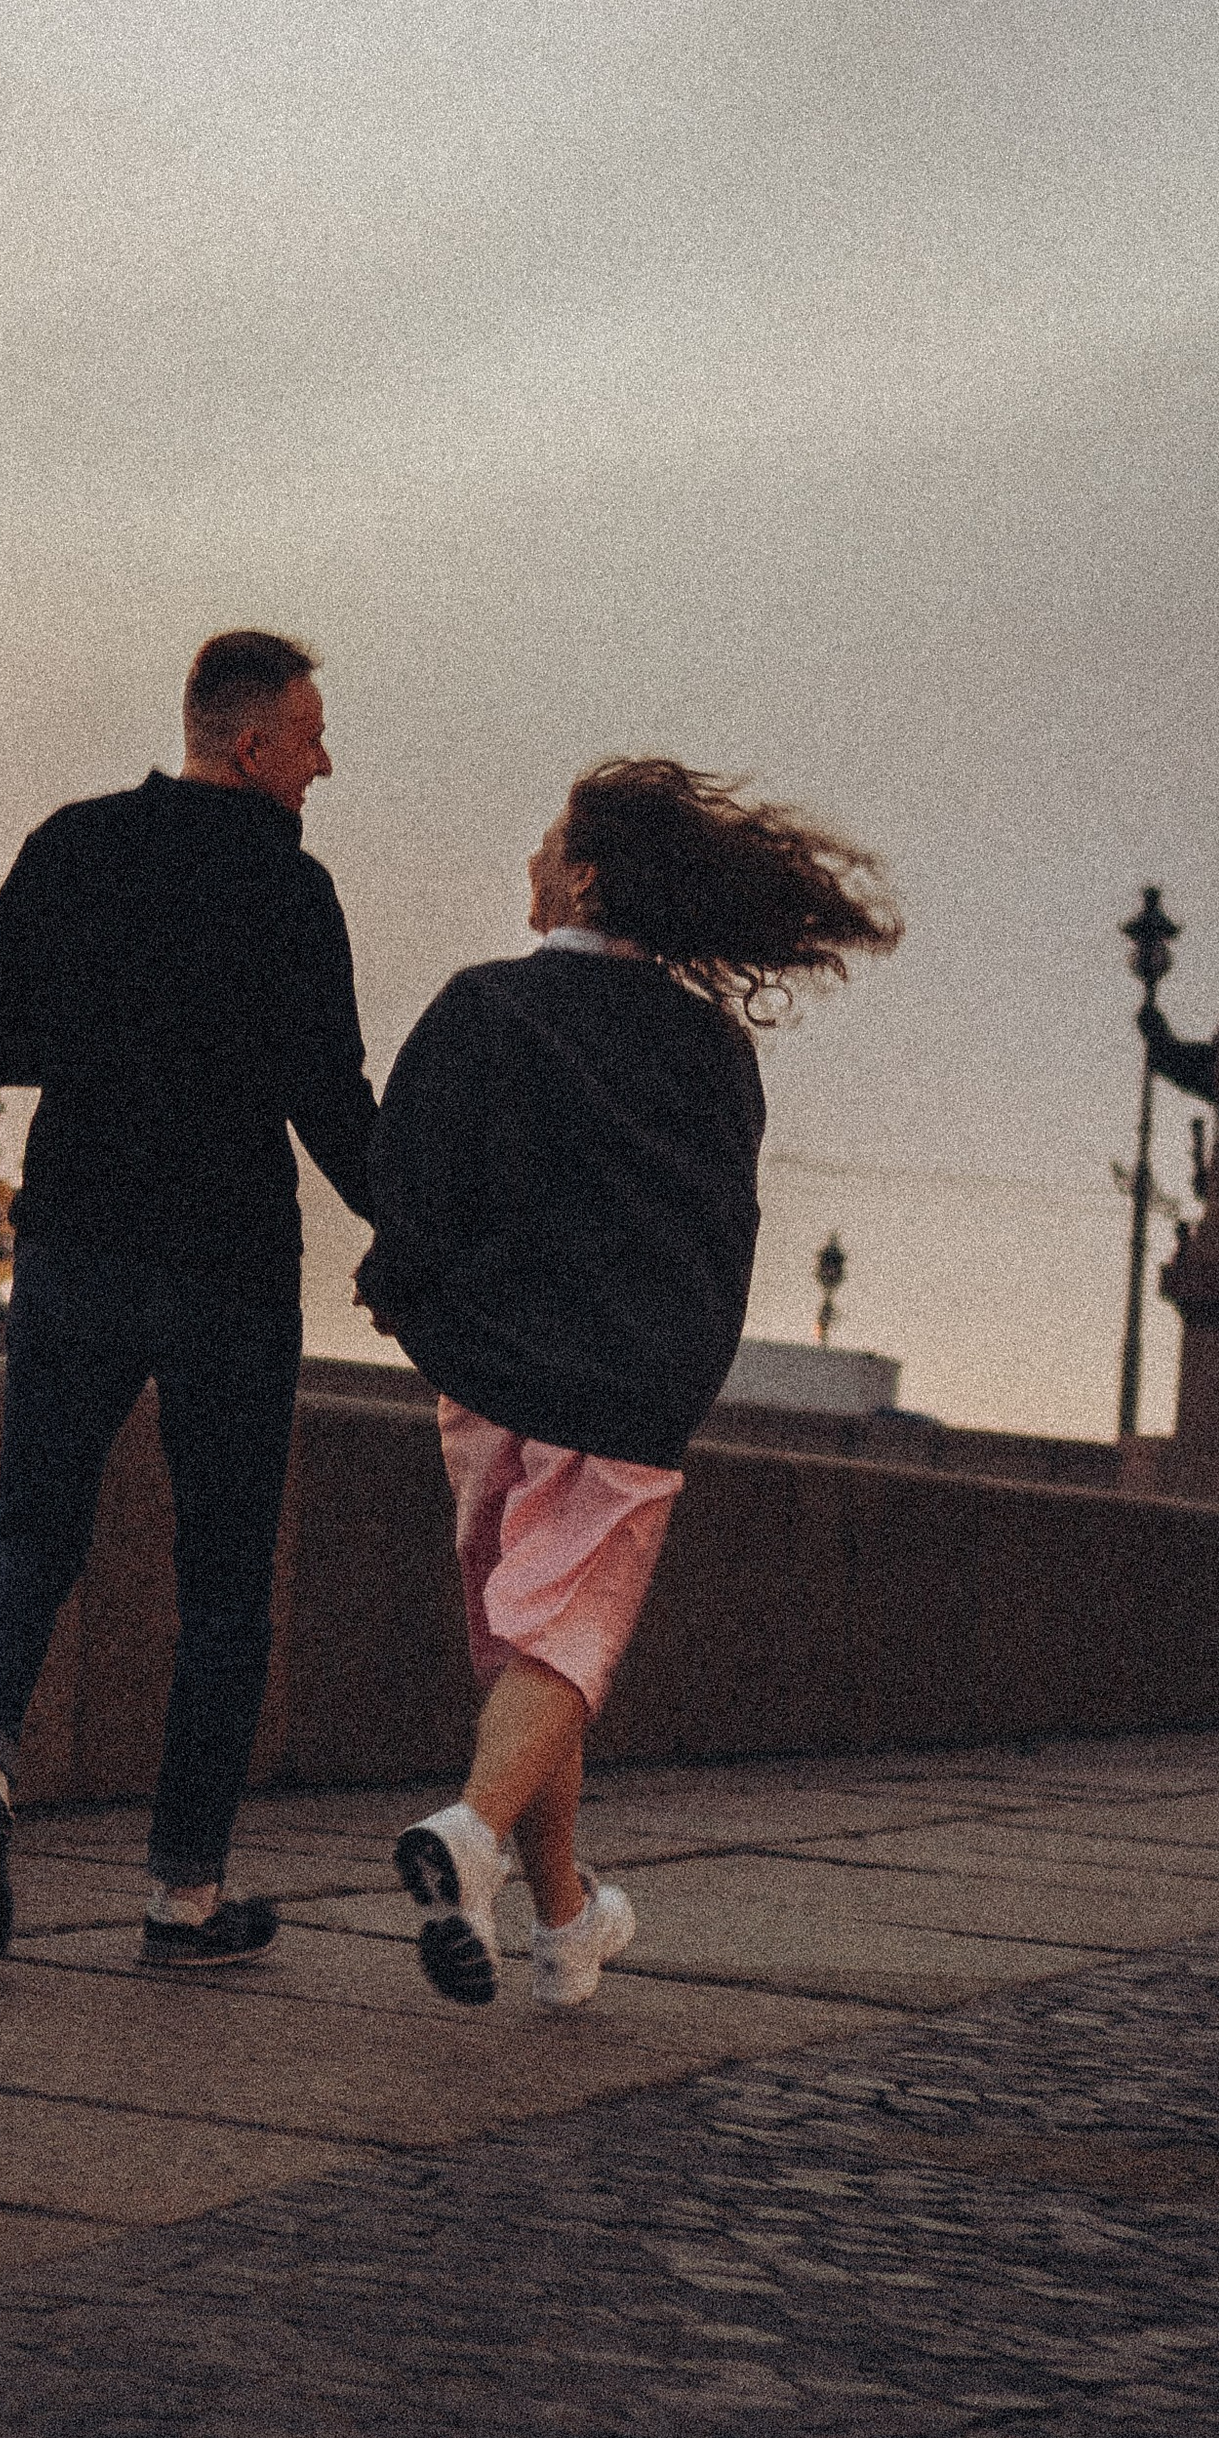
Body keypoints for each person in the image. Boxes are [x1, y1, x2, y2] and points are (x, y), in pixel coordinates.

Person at [357, 757, 901, 2012]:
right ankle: (471, 1836)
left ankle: (563, 1924)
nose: (530, 861)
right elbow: (725, 1230)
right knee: (565, 1645)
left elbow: (409, 1180)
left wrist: (410, 1301)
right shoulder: (710, 1049)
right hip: (626, 1392)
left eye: (548, 842)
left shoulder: (481, 1006)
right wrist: (680, 1373)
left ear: (586, 875)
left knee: (526, 1657)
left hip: (486, 1383)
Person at [0, 631, 381, 1966]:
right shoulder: (295, 897)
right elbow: (337, 1112)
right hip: (229, 1267)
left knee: (32, 1532)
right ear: (250, 746)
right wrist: (427, 1244)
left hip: (75, 1240)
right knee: (226, 1589)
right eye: (309, 736)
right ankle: (183, 1899)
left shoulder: (73, 845)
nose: (324, 761)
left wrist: (103, 1029)